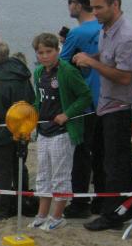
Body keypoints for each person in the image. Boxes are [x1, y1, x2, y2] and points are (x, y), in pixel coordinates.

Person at [73, 0, 132, 231]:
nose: (95, 12)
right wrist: (91, 58)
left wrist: (92, 63)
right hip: (104, 104)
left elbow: (125, 76)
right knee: (103, 157)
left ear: (115, 4)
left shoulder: (127, 36)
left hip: (120, 107)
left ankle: (114, 214)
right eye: (92, 7)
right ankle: (125, 203)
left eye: (99, 7)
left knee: (115, 163)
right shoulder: (106, 29)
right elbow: (106, 58)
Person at [29, 33, 93, 231]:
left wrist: (67, 114)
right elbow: (39, 100)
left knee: (60, 174)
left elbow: (85, 96)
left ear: (57, 51)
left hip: (63, 131)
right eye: (40, 53)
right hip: (44, 130)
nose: (45, 56)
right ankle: (42, 214)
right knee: (43, 174)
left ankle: (57, 216)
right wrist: (31, 116)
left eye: (49, 51)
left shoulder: (68, 71)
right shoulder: (38, 72)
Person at [0, 36, 35, 220]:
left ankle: (0, 210)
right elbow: (31, 99)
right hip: (21, 129)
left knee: (0, 172)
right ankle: (21, 203)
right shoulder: (21, 74)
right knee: (19, 167)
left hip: (0, 133)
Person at [60, 0, 101, 218]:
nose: (69, 6)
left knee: (81, 153)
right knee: (102, 152)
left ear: (77, 4)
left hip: (84, 102)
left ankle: (80, 202)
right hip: (104, 98)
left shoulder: (77, 33)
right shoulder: (103, 28)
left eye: (70, 2)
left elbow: (60, 65)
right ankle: (103, 199)